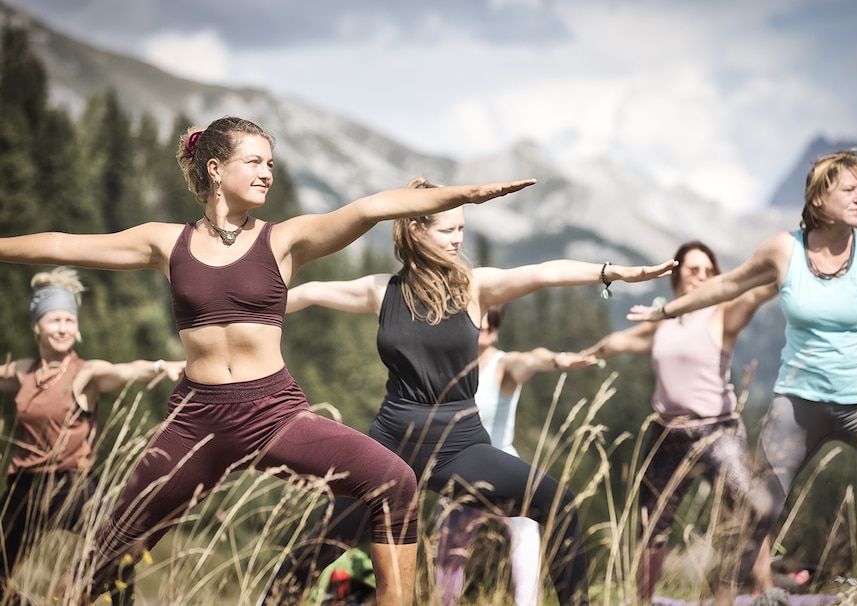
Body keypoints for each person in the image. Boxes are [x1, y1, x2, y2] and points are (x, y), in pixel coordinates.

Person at [0, 116, 538, 606]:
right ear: (215, 169)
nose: (266, 173)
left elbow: (369, 208)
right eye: (254, 161)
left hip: (273, 415)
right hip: (195, 423)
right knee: (108, 551)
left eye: (271, 164)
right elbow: (65, 243)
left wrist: (463, 194)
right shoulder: (167, 244)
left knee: (394, 481)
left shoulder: (284, 241)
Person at [260, 177, 678, 606]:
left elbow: (543, 273)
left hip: (458, 445)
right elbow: (308, 293)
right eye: (448, 229)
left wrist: (611, 272)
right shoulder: (382, 290)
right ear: (416, 229)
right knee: (325, 538)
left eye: (462, 229)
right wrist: (238, 312)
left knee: (557, 503)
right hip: (389, 443)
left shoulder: (473, 288)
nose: (458, 238)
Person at [627, 149, 857, 606]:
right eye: (850, 189)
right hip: (799, 404)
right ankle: (725, 600)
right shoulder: (786, 249)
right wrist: (667, 309)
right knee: (756, 510)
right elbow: (728, 283)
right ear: (819, 197)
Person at [582, 241, 778, 604]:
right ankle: (642, 600)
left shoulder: (722, 314)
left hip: (717, 430)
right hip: (666, 434)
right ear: (676, 279)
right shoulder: (664, 321)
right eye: (693, 270)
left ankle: (766, 594)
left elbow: (755, 295)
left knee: (748, 509)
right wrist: (592, 354)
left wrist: (786, 271)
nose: (701, 277)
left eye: (708, 271)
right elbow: (622, 340)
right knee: (651, 525)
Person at [0, 266, 185, 604]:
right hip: (24, 490)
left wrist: (160, 366)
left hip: (73, 488)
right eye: (55, 320)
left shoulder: (86, 374)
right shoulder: (22, 372)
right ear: (37, 325)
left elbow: (124, 371)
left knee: (118, 550)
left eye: (69, 321)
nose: (63, 328)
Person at [434, 303, 597, 606]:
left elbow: (531, 359)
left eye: (491, 317)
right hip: (461, 469)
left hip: (502, 468)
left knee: (526, 533)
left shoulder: (504, 365)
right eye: (478, 315)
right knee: (446, 557)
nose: (485, 323)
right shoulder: (449, 367)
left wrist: (557, 360)